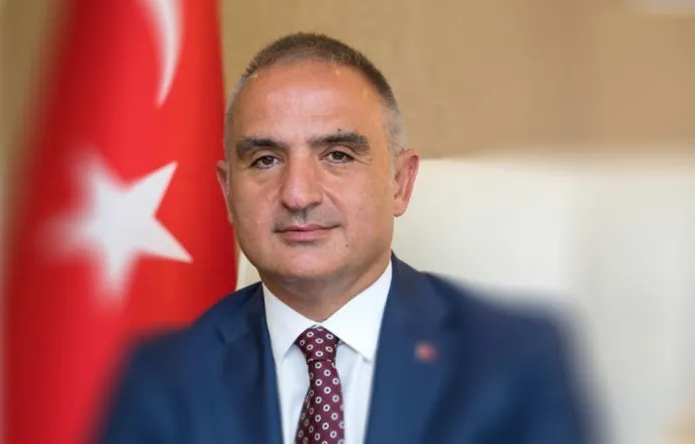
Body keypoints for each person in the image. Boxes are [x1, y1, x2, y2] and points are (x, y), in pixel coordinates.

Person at [99, 32, 594, 444]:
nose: (297, 194)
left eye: (337, 155)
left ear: (400, 182)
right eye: (266, 160)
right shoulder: (165, 380)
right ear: (228, 192)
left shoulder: (512, 361)